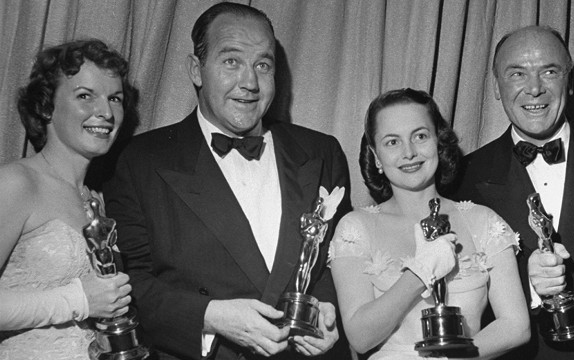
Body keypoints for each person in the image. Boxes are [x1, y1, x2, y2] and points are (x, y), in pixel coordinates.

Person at [102, 2, 352, 359]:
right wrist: (210, 316)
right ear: (196, 69)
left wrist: (327, 309)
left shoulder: (321, 151)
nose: (249, 83)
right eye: (231, 61)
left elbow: (337, 259)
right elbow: (130, 285)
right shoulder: (140, 160)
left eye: (263, 65)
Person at [450, 25, 574, 359]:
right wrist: (528, 287)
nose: (534, 88)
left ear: (569, 81)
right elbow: (462, 297)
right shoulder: (463, 178)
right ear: (497, 86)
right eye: (517, 74)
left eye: (549, 71)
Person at [330, 88, 530, 360]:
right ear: (376, 157)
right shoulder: (355, 228)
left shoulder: (483, 221)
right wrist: (421, 271)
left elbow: (516, 326)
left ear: (438, 142)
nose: (409, 152)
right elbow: (360, 338)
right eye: (392, 142)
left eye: (420, 136)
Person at [0, 39, 137, 359]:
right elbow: (82, 300)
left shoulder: (95, 199)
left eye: (114, 98)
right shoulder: (16, 183)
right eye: (85, 96)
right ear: (47, 105)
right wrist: (79, 301)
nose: (105, 112)